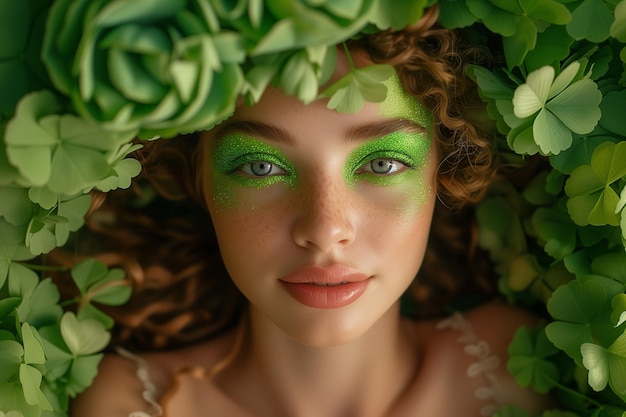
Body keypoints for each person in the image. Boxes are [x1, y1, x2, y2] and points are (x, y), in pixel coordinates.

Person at [67, 6, 551, 417]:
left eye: (383, 163)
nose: (325, 229)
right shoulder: (125, 403)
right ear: (201, 182)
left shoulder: (516, 366)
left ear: (441, 174)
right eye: (259, 167)